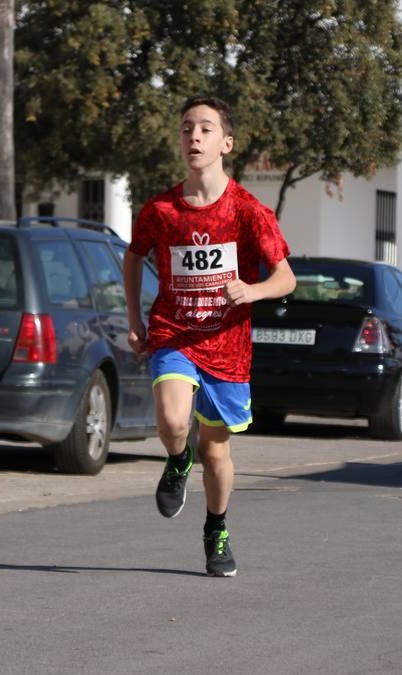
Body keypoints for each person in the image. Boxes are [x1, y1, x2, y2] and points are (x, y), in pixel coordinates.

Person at [123, 95, 295, 577]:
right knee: (174, 420)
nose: (193, 137)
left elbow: (287, 277)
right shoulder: (161, 209)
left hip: (227, 344)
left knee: (216, 451)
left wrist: (253, 289)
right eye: (185, 129)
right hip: (174, 332)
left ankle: (216, 526)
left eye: (204, 129)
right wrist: (135, 318)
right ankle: (177, 461)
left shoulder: (248, 211)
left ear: (226, 142)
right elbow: (134, 256)